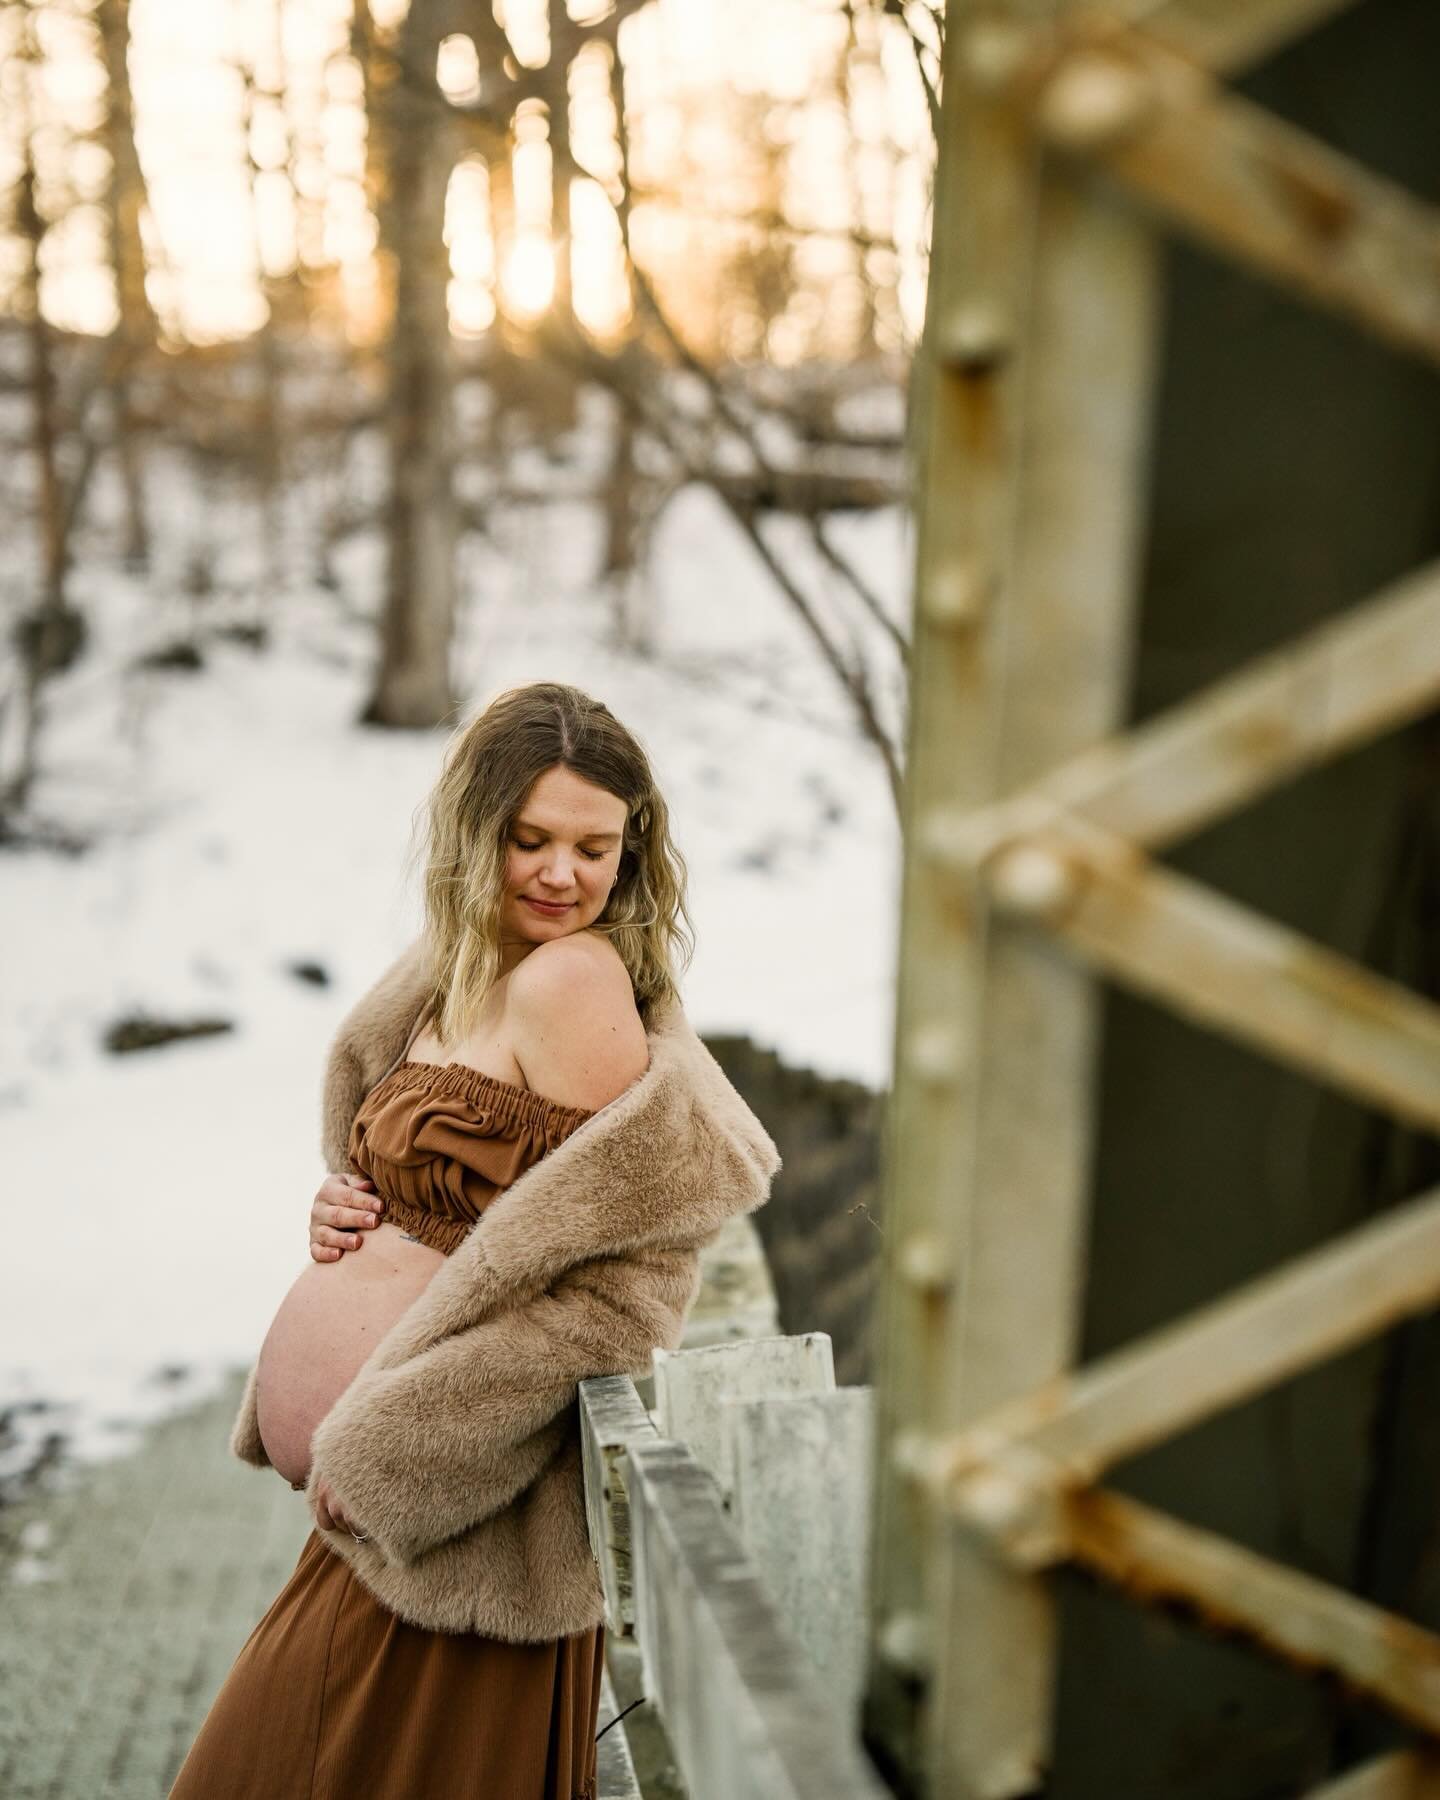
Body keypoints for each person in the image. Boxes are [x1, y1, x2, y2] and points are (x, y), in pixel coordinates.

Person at [170, 681, 781, 1799]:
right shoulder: (457, 969)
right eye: (530, 839)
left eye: (596, 848)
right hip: (389, 1541)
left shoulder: (570, 981)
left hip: (462, 1535)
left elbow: (624, 1294)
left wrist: (408, 1455)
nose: (562, 875)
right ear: (471, 834)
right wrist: (351, 1206)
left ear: (633, 853)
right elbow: (458, 1206)